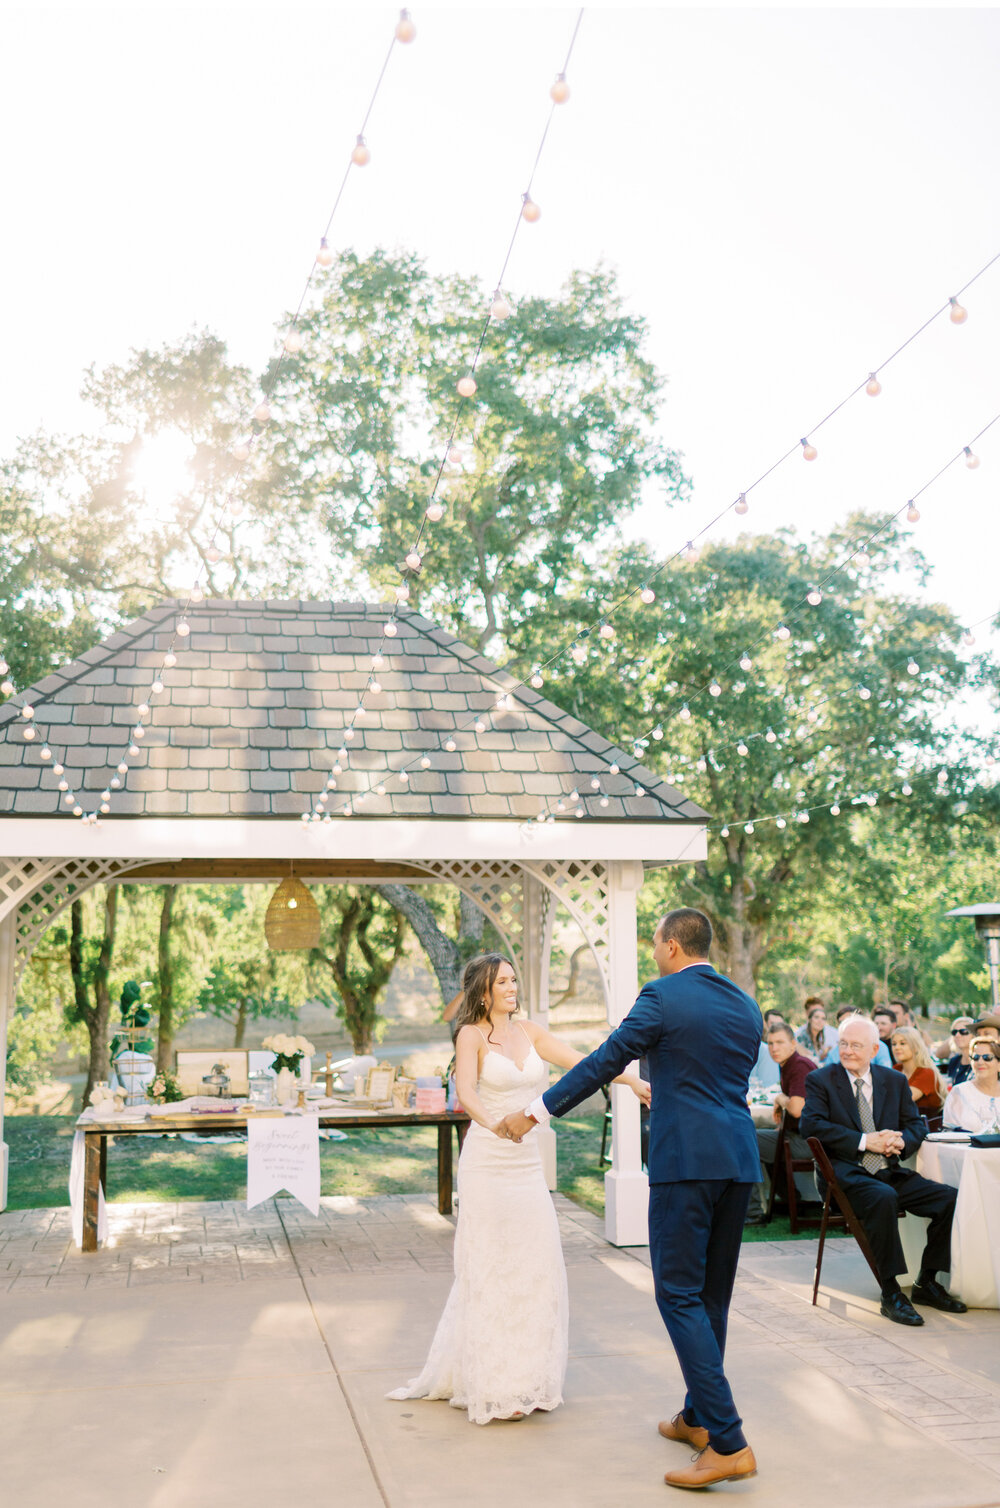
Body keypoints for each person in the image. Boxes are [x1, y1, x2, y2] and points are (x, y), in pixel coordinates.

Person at [499, 908, 761, 1491]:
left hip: (686, 1162)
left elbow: (604, 1061)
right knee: (710, 1296)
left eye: (654, 944)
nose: (653, 954)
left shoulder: (663, 995)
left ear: (671, 946)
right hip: (739, 1159)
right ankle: (697, 1417)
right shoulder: (744, 1004)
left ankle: (729, 1441)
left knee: (676, 1295)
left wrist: (536, 1113)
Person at [387, 951, 648, 1425]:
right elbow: (466, 1090)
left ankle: (527, 1378)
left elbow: (584, 1063)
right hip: (488, 1161)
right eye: (503, 981)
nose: (512, 987)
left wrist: (628, 1078)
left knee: (534, 1264)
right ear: (483, 990)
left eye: (513, 979)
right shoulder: (470, 1035)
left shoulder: (530, 1031)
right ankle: (494, 1384)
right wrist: (495, 1126)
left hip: (527, 1167)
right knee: (491, 1267)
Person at [800, 1014, 967, 1327]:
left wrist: (900, 1141)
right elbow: (810, 1125)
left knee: (949, 1199)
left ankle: (927, 1283)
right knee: (882, 1197)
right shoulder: (822, 1079)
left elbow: (915, 1124)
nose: (847, 1051)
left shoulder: (894, 1080)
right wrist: (866, 1141)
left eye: (856, 1045)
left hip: (889, 1171)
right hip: (844, 1175)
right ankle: (891, 1293)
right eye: (844, 1044)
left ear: (875, 1049)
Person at [746, 1021, 816, 1223]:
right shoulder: (788, 1065)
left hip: (810, 1142)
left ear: (793, 1044)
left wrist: (779, 1099)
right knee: (760, 1137)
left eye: (780, 1042)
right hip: (799, 1136)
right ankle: (791, 1201)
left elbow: (796, 1108)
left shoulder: (799, 1065)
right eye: (770, 1044)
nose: (774, 1048)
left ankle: (751, 1212)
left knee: (742, 1142)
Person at [943, 1037, 1000, 1132]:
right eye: (976, 1057)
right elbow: (949, 1131)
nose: (980, 1062)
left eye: (987, 1058)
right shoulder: (959, 1092)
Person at [889, 1026, 946, 1114]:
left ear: (915, 1047)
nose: (897, 1047)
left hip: (926, 1125)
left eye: (902, 1043)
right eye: (894, 1044)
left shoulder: (927, 1073)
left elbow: (901, 1100)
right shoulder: (896, 1069)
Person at [827, 1008, 892, 1068]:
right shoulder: (833, 1053)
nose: (847, 1026)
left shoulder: (879, 1047)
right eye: (842, 1022)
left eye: (851, 1022)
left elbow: (886, 1074)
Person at [795, 999, 838, 1064]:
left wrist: (825, 1053)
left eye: (823, 1018)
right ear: (809, 1019)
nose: (820, 1021)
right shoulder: (802, 1036)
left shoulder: (820, 1037)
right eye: (816, 1017)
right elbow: (809, 1060)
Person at [943, 1017, 976, 1085]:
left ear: (974, 1035)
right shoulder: (954, 1061)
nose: (957, 1035)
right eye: (954, 1032)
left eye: (963, 1031)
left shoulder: (980, 1060)